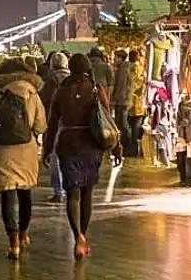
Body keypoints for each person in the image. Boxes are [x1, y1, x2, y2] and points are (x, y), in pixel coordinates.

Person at [43, 53, 122, 260]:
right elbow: (108, 120)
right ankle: (83, 236)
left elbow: (52, 125)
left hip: (68, 143)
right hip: (91, 145)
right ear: (88, 68)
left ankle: (77, 235)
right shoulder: (96, 90)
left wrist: (47, 149)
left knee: (73, 194)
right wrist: (116, 148)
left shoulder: (61, 92)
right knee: (87, 193)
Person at [0, 57, 47, 260]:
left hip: (4, 150)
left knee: (7, 195)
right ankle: (24, 233)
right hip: (26, 148)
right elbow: (40, 125)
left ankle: (13, 244)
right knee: (25, 192)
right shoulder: (32, 94)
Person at [39, 52, 70, 204]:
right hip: (72, 123)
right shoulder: (74, 79)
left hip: (55, 123)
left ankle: (58, 191)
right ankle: (71, 188)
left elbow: (43, 101)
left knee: (54, 157)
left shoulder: (50, 81)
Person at [110, 50, 132, 157]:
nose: (114, 59)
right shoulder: (122, 68)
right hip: (122, 101)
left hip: (122, 101)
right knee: (121, 123)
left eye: (116, 57)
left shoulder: (123, 69)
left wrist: (117, 100)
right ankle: (123, 146)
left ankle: (127, 146)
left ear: (120, 58)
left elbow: (122, 87)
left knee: (123, 124)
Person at [127, 49, 148, 158]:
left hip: (128, 104)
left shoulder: (127, 68)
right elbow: (141, 86)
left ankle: (131, 150)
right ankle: (134, 150)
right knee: (135, 129)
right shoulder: (140, 69)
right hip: (138, 105)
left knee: (130, 128)